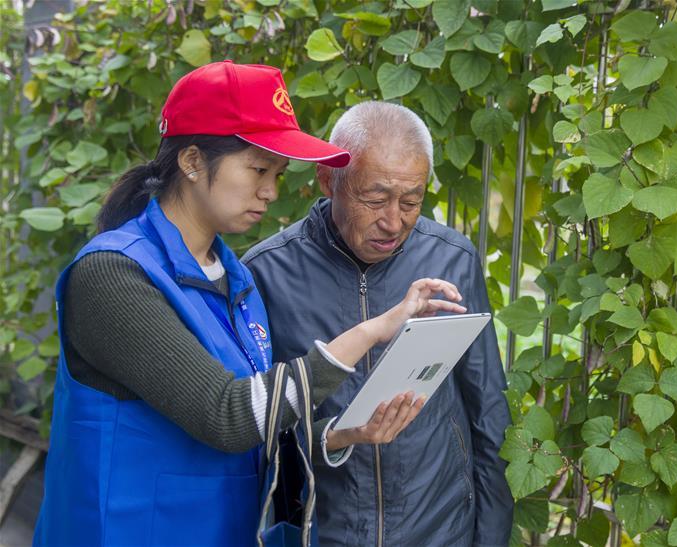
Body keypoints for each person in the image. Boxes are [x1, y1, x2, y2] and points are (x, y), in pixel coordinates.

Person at [33, 62, 467, 546]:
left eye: (278, 174)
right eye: (258, 169)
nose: (271, 191)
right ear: (193, 161)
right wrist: (373, 330)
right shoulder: (113, 274)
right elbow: (227, 416)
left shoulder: (235, 279)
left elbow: (262, 430)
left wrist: (339, 434)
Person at [243, 101, 514, 546]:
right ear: (329, 180)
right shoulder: (267, 273)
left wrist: (490, 538)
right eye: (375, 199)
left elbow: (488, 412)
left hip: (441, 528)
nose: (394, 221)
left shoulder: (451, 259)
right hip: (326, 530)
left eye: (412, 201)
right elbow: (257, 428)